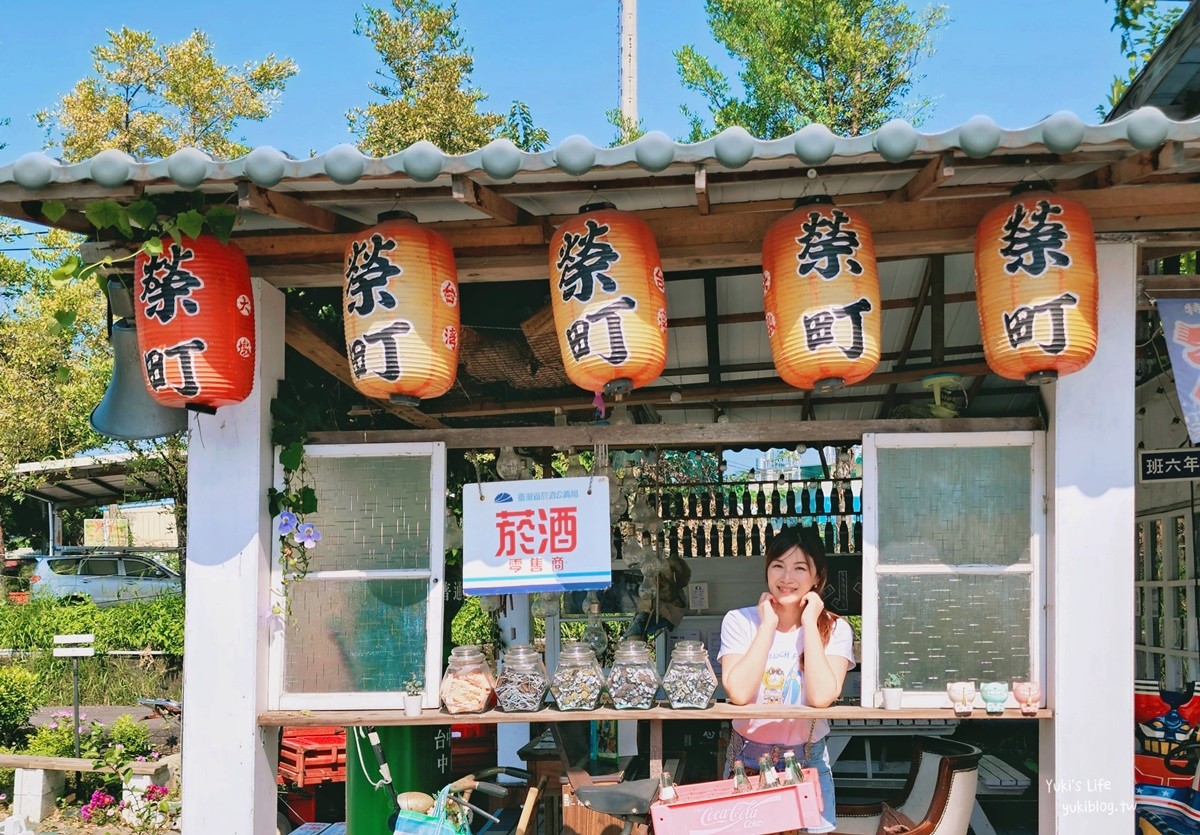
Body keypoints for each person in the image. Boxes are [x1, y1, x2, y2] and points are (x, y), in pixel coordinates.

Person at [718, 524, 855, 834]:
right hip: (747, 760)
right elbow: (738, 692)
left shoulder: (835, 629)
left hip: (808, 761)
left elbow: (822, 697)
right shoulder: (741, 621)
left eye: (799, 568)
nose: (786, 577)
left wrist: (809, 623)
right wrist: (768, 625)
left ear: (817, 576)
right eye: (778, 566)